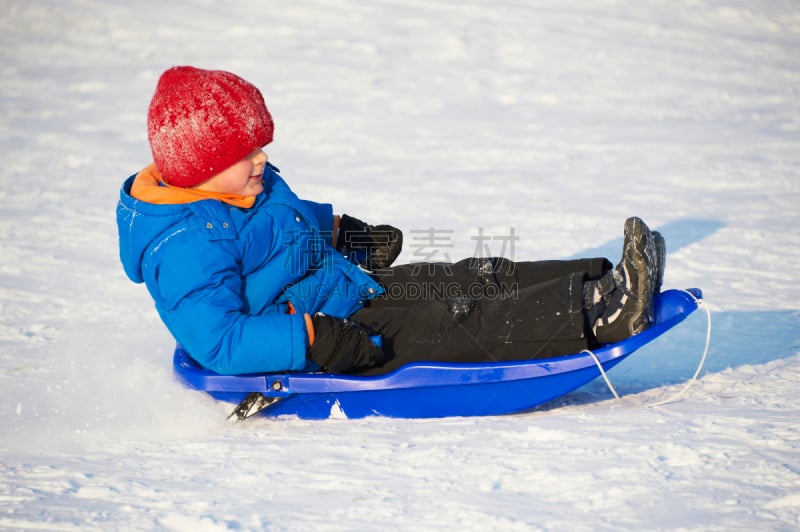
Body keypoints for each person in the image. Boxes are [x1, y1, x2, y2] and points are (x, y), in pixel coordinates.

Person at [117, 66, 665, 377]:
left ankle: (597, 281)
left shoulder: (244, 185)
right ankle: (600, 316)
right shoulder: (184, 244)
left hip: (342, 289)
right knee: (453, 319)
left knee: (468, 275)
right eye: (246, 152)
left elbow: (286, 226)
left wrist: (345, 235)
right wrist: (312, 338)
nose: (262, 158)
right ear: (202, 166)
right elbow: (219, 342)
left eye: (262, 145)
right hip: (328, 337)